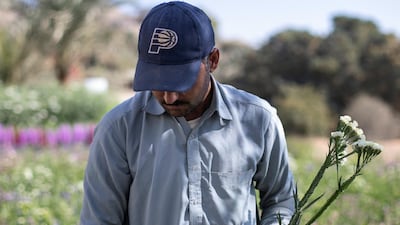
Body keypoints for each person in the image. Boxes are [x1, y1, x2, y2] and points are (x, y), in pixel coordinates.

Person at [80, 1, 295, 225]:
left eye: (180, 82)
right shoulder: (119, 128)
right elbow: (99, 219)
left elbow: (282, 200)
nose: (169, 98)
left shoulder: (259, 120)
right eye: (156, 81)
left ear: (212, 61)